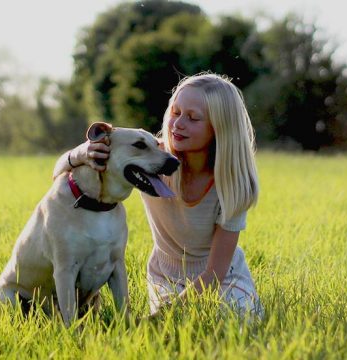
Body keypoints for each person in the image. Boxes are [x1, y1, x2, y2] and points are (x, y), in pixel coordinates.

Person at [54, 73, 263, 319]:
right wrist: (81, 153)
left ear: (219, 129)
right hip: (166, 277)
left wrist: (157, 318)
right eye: (175, 112)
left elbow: (215, 273)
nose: (178, 124)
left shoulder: (233, 183)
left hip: (223, 277)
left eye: (193, 118)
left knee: (233, 318)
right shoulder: (149, 157)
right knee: (178, 326)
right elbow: (58, 171)